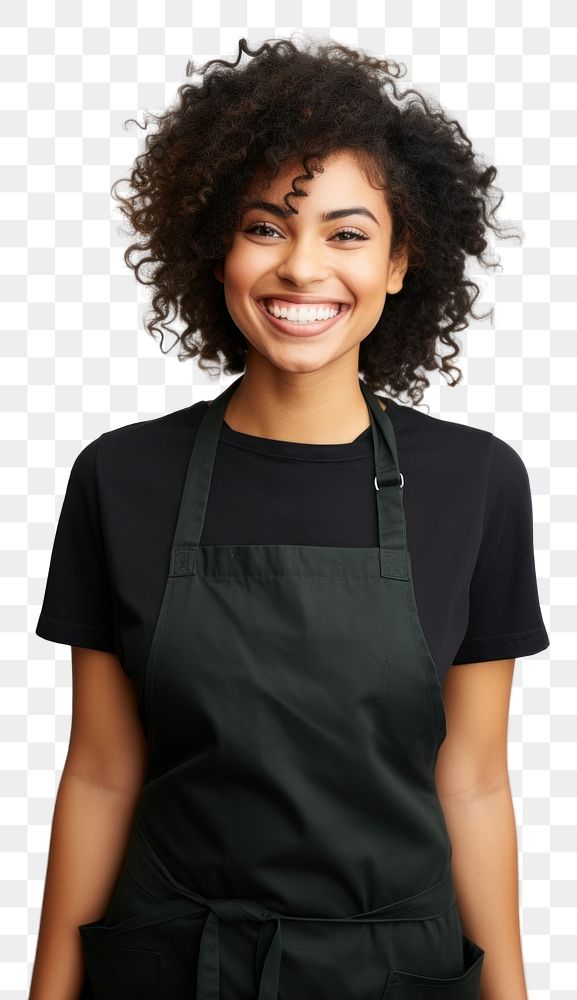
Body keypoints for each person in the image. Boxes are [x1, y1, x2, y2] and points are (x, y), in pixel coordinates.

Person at [30, 34, 550, 1000]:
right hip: (172, 966)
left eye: (347, 234)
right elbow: (101, 771)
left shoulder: (476, 482)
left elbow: (473, 780)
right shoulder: (121, 476)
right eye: (266, 227)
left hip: (392, 971)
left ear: (400, 263)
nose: (302, 268)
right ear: (215, 251)